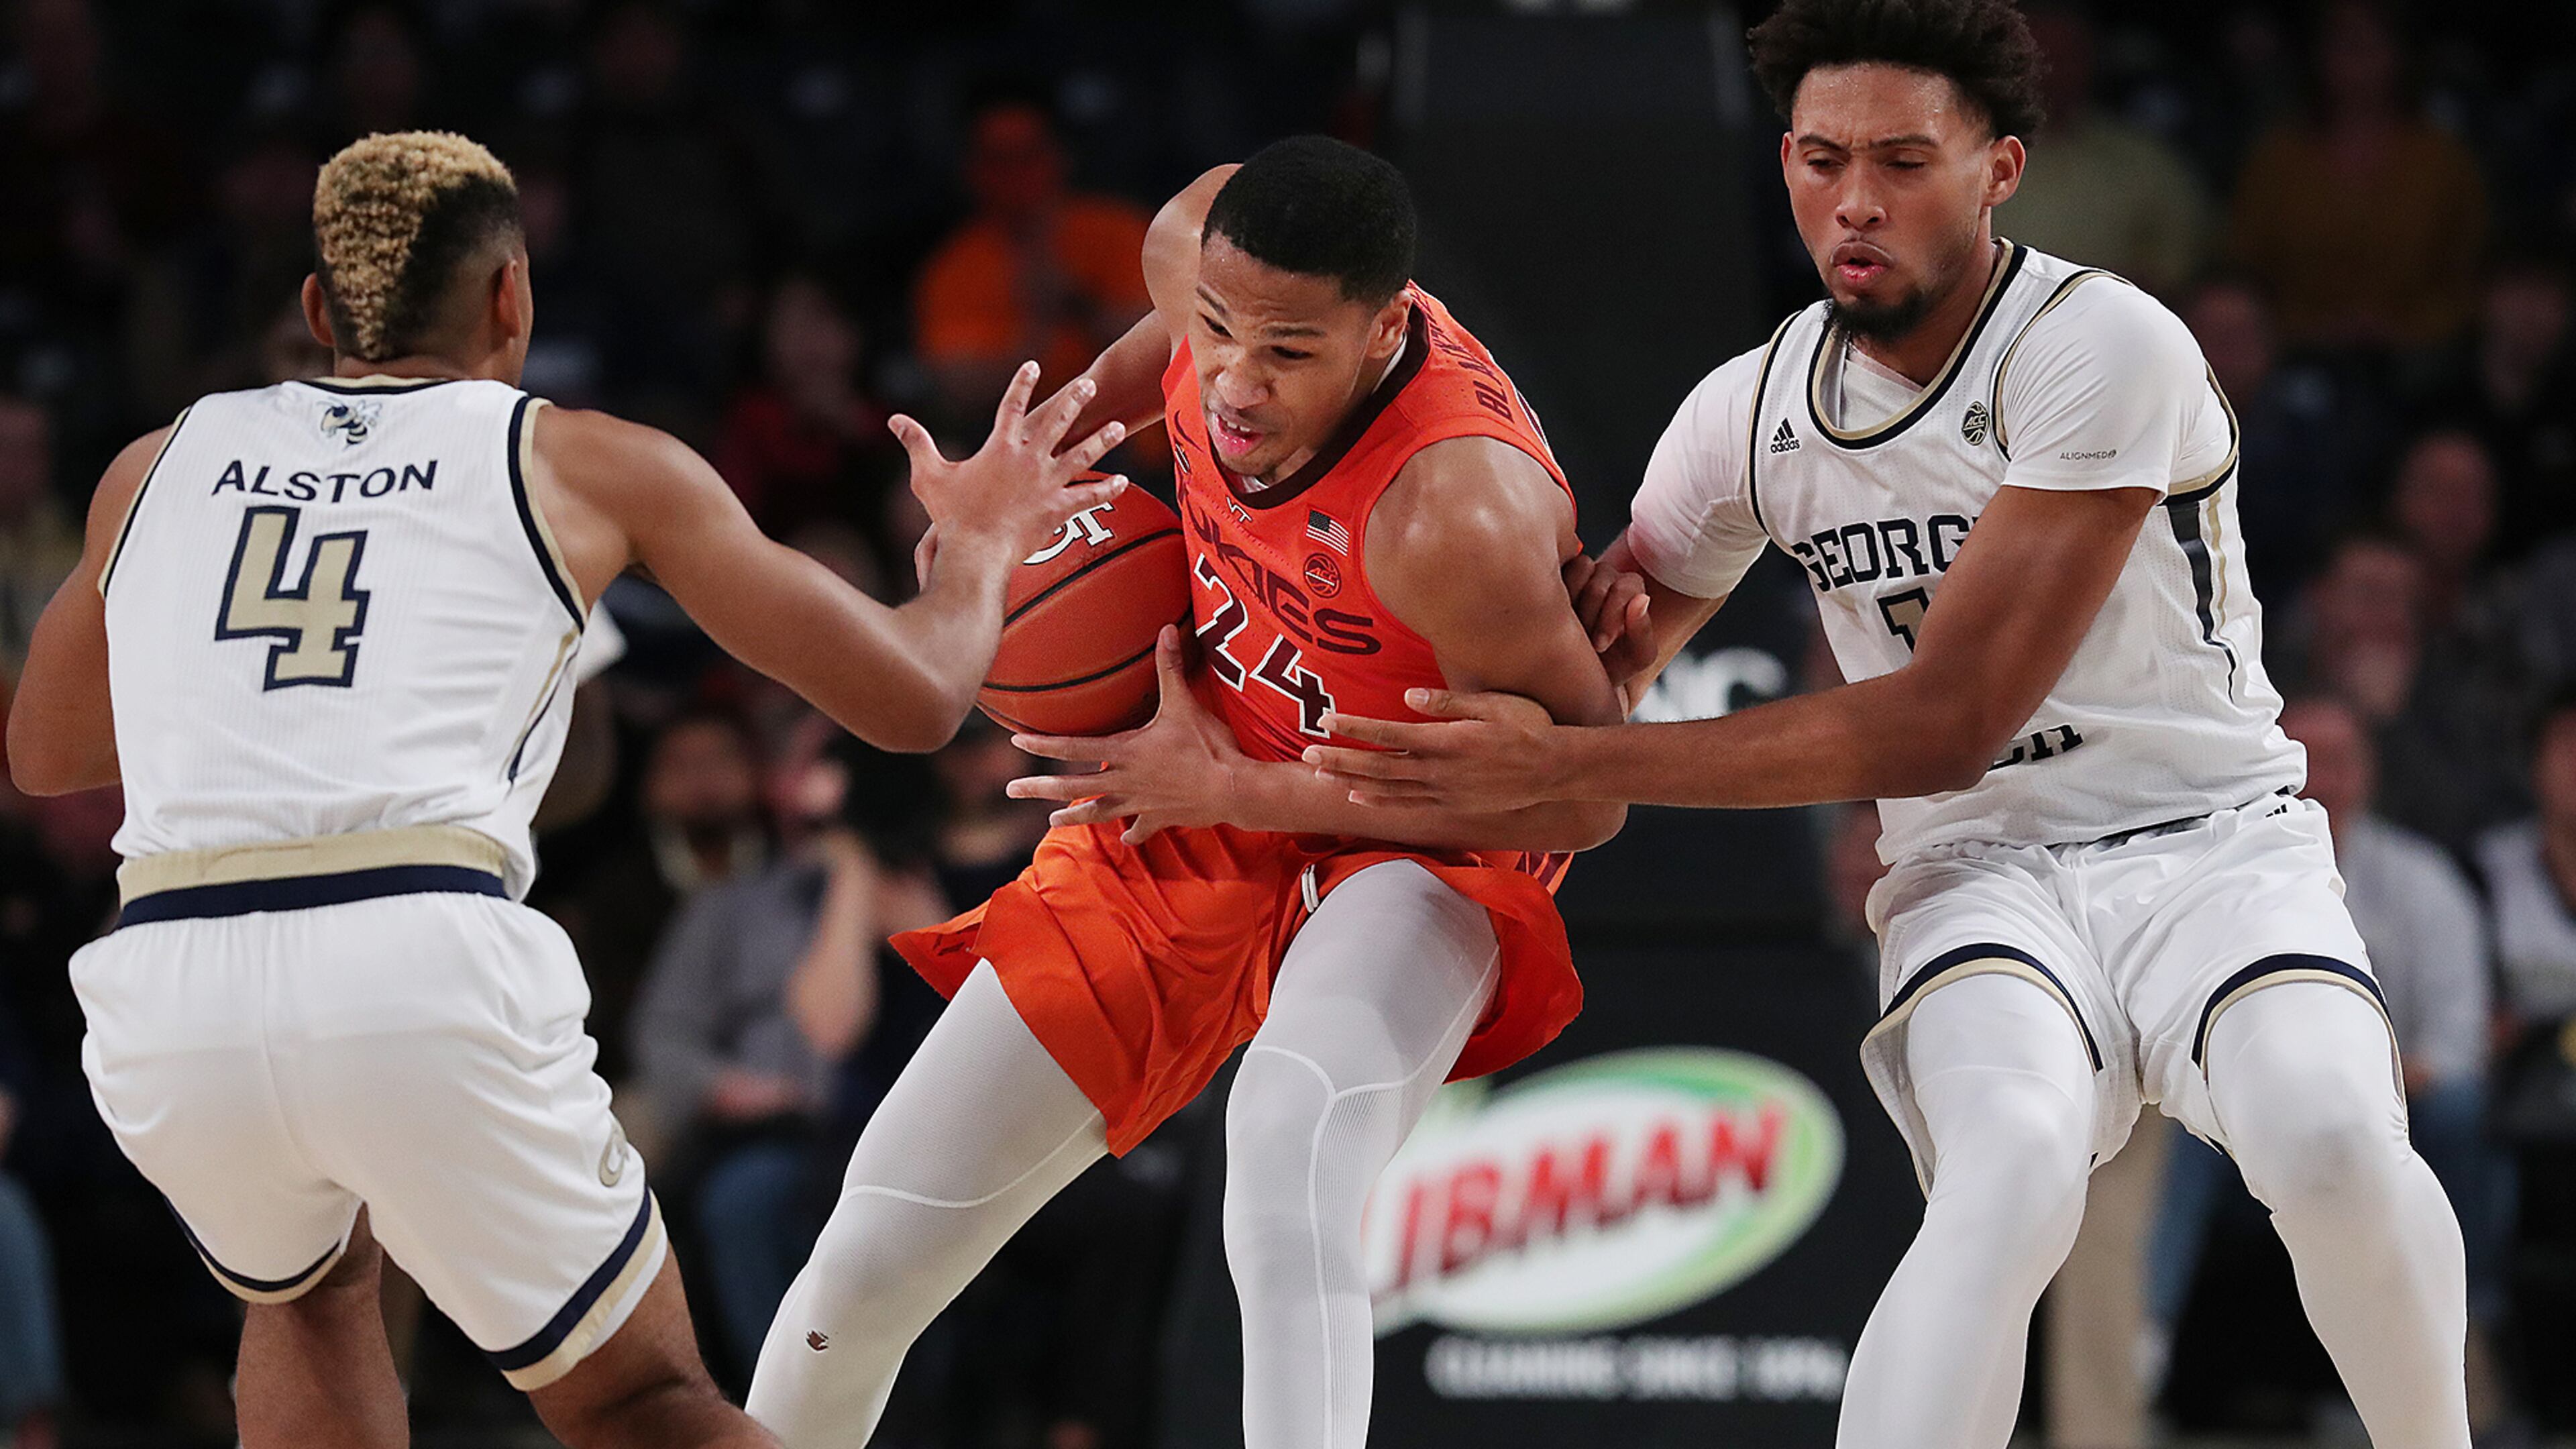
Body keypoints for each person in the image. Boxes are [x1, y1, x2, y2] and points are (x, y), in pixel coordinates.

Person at [1305, 4, 2473, 1446]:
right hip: (1981, 875)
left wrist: (1578, 760)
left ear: (2000, 168)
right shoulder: (1744, 416)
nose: (1854, 200)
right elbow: (1578, 697)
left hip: (2210, 848)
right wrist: (1376, 671)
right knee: (2012, 1165)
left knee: (2335, 1135)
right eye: (1820, 158)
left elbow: (1946, 722)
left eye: (1904, 160)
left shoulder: (2100, 345)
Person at [3, 129, 1126, 1448]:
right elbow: (915, 697)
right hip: (409, 949)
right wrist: (982, 543)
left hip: (170, 978)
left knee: (309, 1301)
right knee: (640, 1401)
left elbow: (45, 751)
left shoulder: (157, 463)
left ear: (317, 314)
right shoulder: (586, 461)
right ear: (513, 299)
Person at [748, 136, 1628, 1449]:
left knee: (1286, 1157)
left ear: (1387, 329)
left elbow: (1584, 800)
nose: (1234, 381)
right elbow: (1134, 386)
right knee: (869, 1254)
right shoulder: (1190, 258)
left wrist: (1256, 788)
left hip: (1426, 831)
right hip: (1196, 777)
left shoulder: (1455, 522)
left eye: (1287, 350)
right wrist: (1013, 505)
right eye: (1214, 328)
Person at [2145, 695, 2507, 1427]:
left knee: (2456, 1118)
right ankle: (2143, 1344)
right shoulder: (2207, 877)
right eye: (2300, 760)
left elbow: (2458, 1050)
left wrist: (2350, 1087)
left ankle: (2468, 1355)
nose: (2317, 782)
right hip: (2233, 1115)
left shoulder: (2423, 884)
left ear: (2369, 775)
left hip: (2392, 1112)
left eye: (2337, 763)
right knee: (2167, 1140)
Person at [2225, 0, 2487, 352]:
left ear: (2401, 52)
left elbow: (2469, 275)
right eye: (2344, 43)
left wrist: (2405, 330)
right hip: (2292, 352)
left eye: (2371, 43)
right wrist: (2308, 329)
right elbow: (2244, 269)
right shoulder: (2278, 158)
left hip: (2425, 358)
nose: (2357, 61)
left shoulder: (2443, 160)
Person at [913, 95, 1154, 421]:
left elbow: (1171, 338)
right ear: (972, 170)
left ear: (1061, 156)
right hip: (1032, 443)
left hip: (1145, 436)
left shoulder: (1118, 230)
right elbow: (958, 384)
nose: (1015, 175)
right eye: (999, 160)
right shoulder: (954, 271)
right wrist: (1037, 326)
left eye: (1028, 156)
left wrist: (1078, 302)